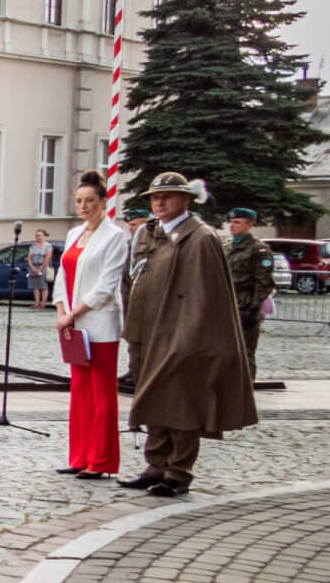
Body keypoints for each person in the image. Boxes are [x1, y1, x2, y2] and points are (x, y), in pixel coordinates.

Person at [117, 171, 257, 497]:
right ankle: (156, 465)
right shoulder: (154, 235)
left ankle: (178, 472)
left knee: (181, 405)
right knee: (152, 399)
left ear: (186, 199)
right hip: (149, 333)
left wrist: (190, 338)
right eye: (155, 197)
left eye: (167, 196)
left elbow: (207, 296)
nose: (160, 202)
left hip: (182, 337)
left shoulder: (200, 238)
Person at [53, 173, 128, 480]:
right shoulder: (73, 234)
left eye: (90, 201)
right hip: (72, 321)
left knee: (101, 393)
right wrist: (62, 311)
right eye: (79, 201)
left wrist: (74, 314)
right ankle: (79, 456)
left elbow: (106, 285)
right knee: (79, 392)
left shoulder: (114, 236)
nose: (83, 206)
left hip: (99, 322)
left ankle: (101, 459)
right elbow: (61, 277)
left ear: (103, 202)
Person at [224, 208, 276, 381]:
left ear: (250, 224)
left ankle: (246, 387)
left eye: (237, 222)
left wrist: (253, 309)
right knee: (226, 350)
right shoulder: (228, 246)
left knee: (245, 351)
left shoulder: (259, 249)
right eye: (231, 222)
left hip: (245, 305)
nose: (232, 225)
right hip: (227, 305)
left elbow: (264, 282)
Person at [28, 229, 54, 311]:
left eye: (39, 235)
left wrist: (40, 269)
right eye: (36, 236)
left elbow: (48, 258)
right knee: (35, 286)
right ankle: (36, 303)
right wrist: (32, 268)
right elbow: (29, 257)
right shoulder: (33, 246)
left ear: (44, 236)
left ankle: (43, 303)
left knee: (43, 286)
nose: (38, 237)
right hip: (34, 266)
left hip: (44, 266)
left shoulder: (48, 246)